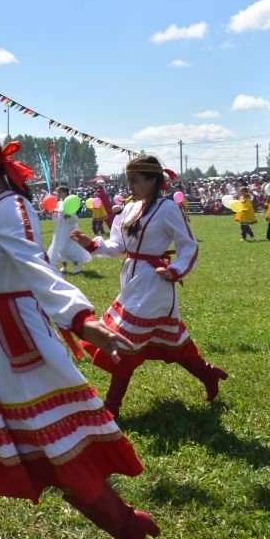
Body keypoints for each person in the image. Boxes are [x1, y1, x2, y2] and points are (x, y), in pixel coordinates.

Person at [0, 128, 158, 539]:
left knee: (52, 452)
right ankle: (127, 524)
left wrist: (81, 319)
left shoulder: (11, 208)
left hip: (17, 350)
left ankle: (127, 525)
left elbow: (37, 270)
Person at [70, 155, 228, 416]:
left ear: (153, 180)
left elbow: (189, 245)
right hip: (133, 282)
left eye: (135, 180)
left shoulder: (168, 208)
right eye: (128, 180)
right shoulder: (130, 208)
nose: (130, 186)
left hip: (155, 283)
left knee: (125, 342)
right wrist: (91, 244)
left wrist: (174, 271)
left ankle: (111, 407)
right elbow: (119, 246)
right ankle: (208, 373)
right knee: (171, 342)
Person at [48, 186, 91, 274]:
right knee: (59, 246)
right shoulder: (59, 203)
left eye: (59, 192)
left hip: (69, 228)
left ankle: (76, 266)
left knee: (65, 247)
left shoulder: (69, 201)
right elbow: (57, 217)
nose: (58, 194)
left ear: (65, 192)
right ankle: (64, 267)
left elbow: (75, 219)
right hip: (60, 228)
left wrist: (69, 216)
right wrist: (53, 214)